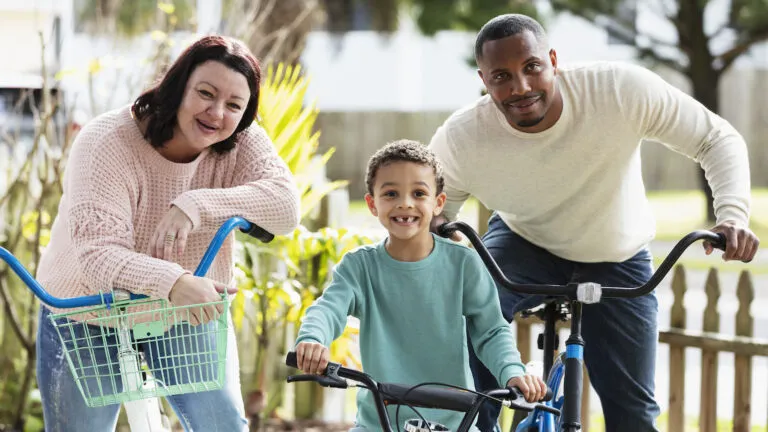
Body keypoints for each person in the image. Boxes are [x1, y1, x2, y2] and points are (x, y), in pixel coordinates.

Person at [427, 13, 759, 432]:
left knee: (633, 415)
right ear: (483, 79)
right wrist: (437, 227)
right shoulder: (463, 136)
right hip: (523, 241)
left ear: (552, 59)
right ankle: (477, 423)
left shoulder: (618, 91)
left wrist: (732, 215)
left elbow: (716, 138)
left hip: (616, 253)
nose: (521, 87)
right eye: (501, 76)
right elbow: (433, 204)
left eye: (531, 67)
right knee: (468, 312)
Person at [35, 35, 300, 431]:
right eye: (205, 93)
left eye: (233, 105)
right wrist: (173, 281)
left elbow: (286, 208)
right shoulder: (107, 142)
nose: (216, 113)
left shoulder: (241, 141)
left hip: (184, 312)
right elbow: (98, 256)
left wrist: (197, 204)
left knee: (222, 425)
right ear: (177, 87)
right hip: (87, 311)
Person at [294, 140, 547, 431]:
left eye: (418, 193)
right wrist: (313, 338)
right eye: (391, 193)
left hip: (455, 421)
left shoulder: (463, 264)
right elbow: (328, 308)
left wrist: (511, 372)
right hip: (379, 421)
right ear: (372, 204)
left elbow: (490, 331)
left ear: (438, 203)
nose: (405, 203)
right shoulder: (359, 266)